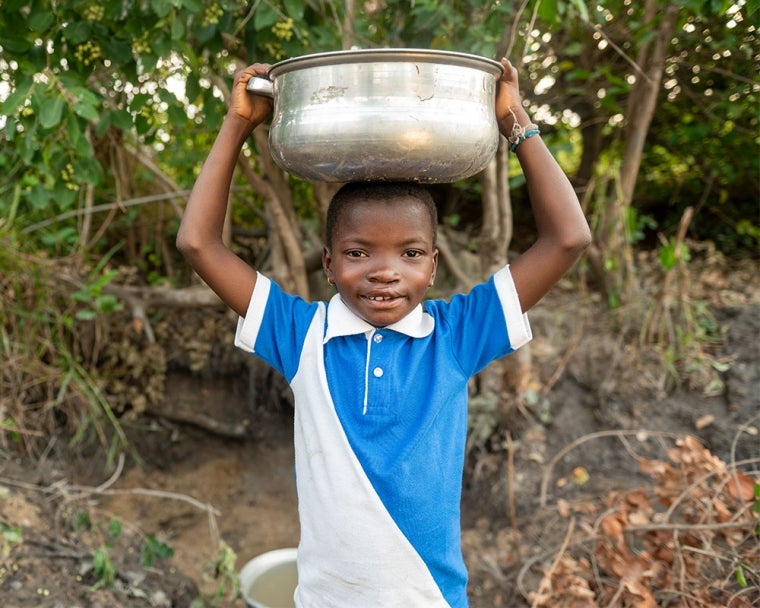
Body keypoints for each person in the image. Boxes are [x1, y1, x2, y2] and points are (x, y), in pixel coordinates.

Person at [177, 58, 591, 607]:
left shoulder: (457, 335)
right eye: (357, 253)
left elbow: (567, 238)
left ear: (434, 266)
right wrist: (237, 124)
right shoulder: (302, 335)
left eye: (410, 253)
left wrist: (515, 120)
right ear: (327, 263)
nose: (385, 271)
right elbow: (198, 244)